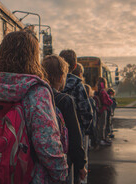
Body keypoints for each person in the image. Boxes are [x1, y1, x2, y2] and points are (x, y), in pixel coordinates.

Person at [0, 31, 68, 183]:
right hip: (31, 176)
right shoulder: (36, 90)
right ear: (32, 57)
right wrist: (61, 173)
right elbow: (46, 142)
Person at [42, 55, 87, 184]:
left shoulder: (35, 95)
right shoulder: (65, 100)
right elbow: (74, 136)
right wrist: (80, 164)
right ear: (61, 77)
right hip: (62, 161)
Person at [59, 49, 93, 184]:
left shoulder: (50, 84)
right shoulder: (78, 85)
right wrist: (82, 129)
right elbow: (86, 112)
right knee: (77, 170)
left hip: (57, 135)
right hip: (75, 135)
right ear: (74, 66)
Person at [95, 77, 113, 146]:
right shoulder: (103, 91)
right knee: (103, 125)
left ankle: (102, 138)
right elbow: (106, 101)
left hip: (101, 108)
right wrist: (110, 101)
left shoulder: (99, 90)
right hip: (104, 109)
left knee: (101, 125)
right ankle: (102, 139)